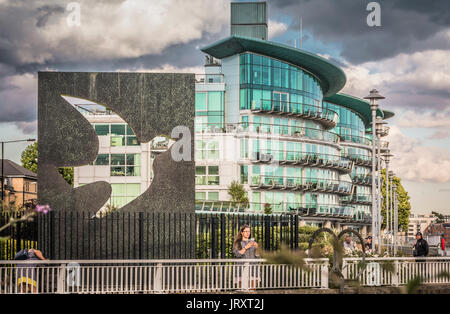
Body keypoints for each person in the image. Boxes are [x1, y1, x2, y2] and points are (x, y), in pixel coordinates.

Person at [232, 225, 260, 290]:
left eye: (249, 231)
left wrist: (257, 248)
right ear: (241, 232)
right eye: (246, 231)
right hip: (241, 269)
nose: (248, 233)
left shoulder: (253, 242)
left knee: (252, 290)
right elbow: (238, 254)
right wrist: (246, 247)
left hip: (253, 268)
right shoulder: (237, 243)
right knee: (242, 290)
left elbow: (258, 256)